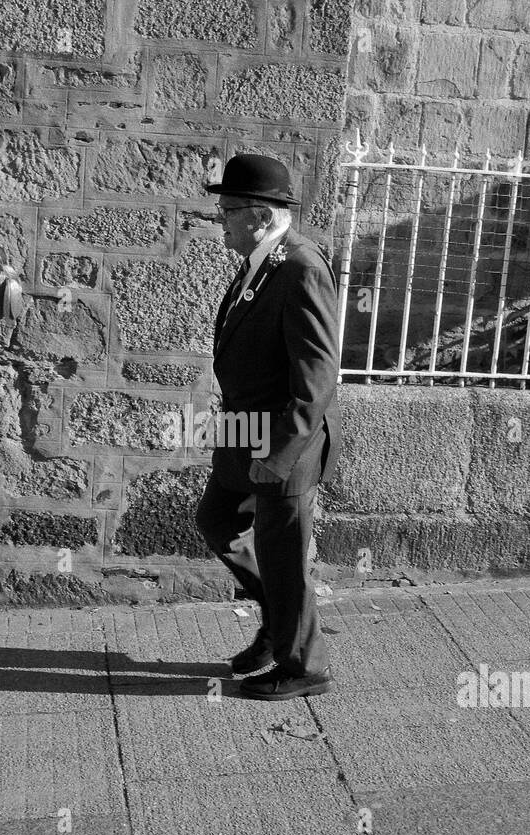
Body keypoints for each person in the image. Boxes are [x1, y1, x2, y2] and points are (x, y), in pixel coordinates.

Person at [196, 153, 342, 701]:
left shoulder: (302, 266)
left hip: (284, 442)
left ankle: (304, 665)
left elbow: (317, 375)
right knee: (216, 521)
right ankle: (278, 621)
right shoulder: (264, 257)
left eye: (227, 212)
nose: (221, 221)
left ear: (258, 215)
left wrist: (278, 454)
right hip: (244, 432)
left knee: (283, 557)